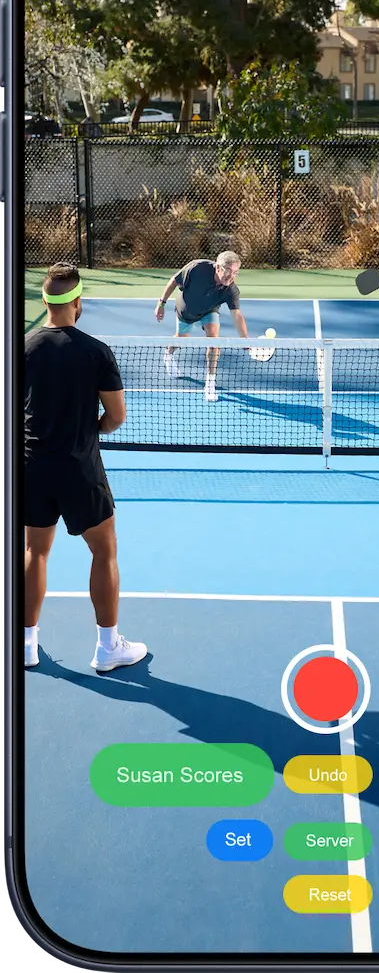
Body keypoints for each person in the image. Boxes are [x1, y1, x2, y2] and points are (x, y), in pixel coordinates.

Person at [24, 263, 147, 673]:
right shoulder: (96, 352)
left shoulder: (22, 348)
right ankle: (108, 647)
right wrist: (88, 428)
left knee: (34, 552)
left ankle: (25, 644)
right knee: (104, 550)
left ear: (44, 301)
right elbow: (116, 416)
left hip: (32, 469)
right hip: (80, 470)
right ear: (78, 303)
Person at [155, 251, 249, 402]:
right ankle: (168, 355)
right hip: (187, 309)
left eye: (236, 273)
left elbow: (237, 315)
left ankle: (210, 382)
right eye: (228, 271)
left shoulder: (231, 290)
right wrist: (161, 303)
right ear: (218, 267)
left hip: (209, 311)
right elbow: (174, 280)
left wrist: (245, 339)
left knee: (214, 341)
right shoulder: (198, 268)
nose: (231, 276)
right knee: (181, 338)